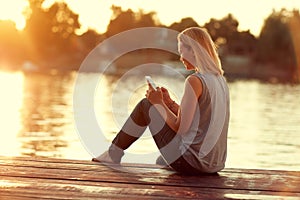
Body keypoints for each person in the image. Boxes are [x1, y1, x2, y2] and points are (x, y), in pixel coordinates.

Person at [92, 27, 230, 175]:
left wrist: (158, 103)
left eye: (181, 51)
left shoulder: (195, 81)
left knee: (146, 105)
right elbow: (198, 120)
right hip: (214, 164)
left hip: (192, 163)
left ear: (194, 51)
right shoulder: (220, 80)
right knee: (160, 161)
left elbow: (181, 128)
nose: (180, 57)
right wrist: (169, 103)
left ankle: (112, 154)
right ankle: (117, 153)